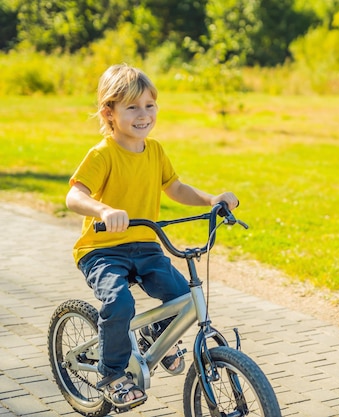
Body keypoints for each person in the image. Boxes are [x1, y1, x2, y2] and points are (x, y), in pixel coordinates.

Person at [66, 63, 239, 409]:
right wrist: (103, 211)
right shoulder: (103, 154)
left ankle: (151, 335)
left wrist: (210, 200)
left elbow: (174, 187)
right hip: (102, 249)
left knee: (180, 295)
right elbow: (74, 195)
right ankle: (113, 374)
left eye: (149, 105)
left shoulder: (155, 150)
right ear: (109, 112)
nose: (143, 114)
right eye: (132, 107)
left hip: (144, 245)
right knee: (119, 304)